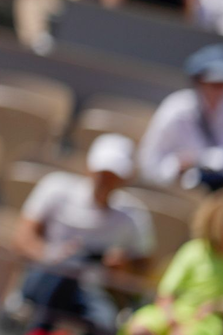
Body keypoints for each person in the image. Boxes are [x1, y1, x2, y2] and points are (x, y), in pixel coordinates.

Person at [14, 134, 154, 335]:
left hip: (91, 290)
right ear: (89, 167)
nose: (106, 180)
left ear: (126, 177)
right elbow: (22, 238)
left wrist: (122, 267)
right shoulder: (56, 188)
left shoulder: (134, 215)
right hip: (44, 279)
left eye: (113, 174)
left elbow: (143, 267)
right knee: (64, 273)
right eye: (102, 172)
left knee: (104, 322)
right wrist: (51, 255)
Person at [123, 195, 223, 335]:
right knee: (140, 330)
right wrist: (170, 318)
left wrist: (217, 306)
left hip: (210, 321)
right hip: (174, 311)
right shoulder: (194, 250)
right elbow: (166, 293)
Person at [138, 44, 223, 192]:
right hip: (176, 193)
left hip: (220, 197)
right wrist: (177, 165)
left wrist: (203, 161)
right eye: (214, 84)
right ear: (198, 81)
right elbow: (148, 163)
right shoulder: (175, 109)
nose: (220, 91)